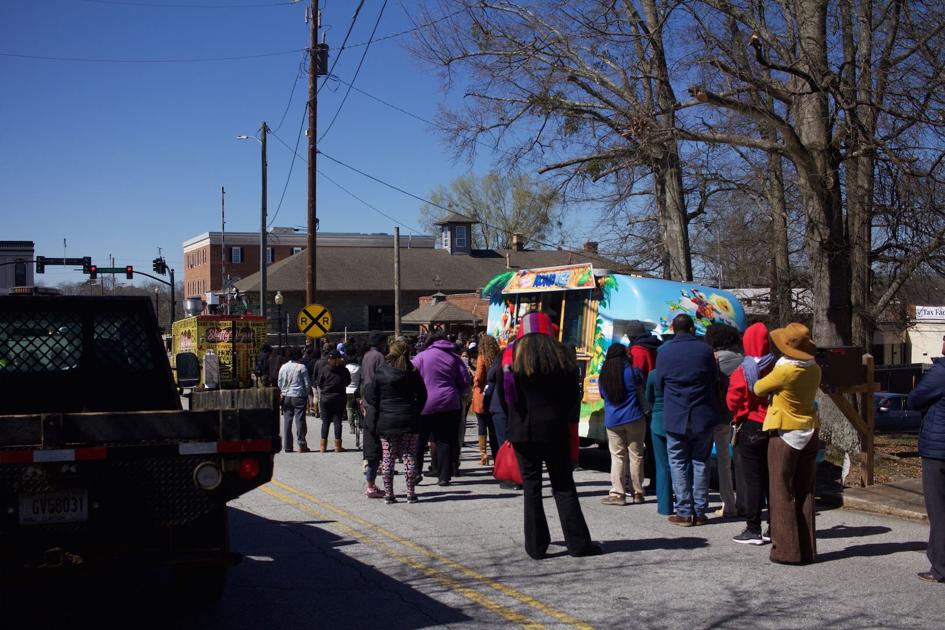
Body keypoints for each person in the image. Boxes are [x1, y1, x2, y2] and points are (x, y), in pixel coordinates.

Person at [495, 312, 601, 559]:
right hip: (555, 430)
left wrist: (516, 419)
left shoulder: (510, 358)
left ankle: (535, 545)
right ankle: (578, 543)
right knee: (563, 486)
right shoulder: (563, 356)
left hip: (522, 431)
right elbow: (572, 398)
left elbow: (503, 396)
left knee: (531, 488)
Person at [754, 322, 821, 564]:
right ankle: (807, 549)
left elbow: (759, 388)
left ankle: (786, 550)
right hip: (809, 429)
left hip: (785, 433)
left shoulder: (785, 370)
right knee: (805, 491)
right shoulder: (814, 369)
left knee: (781, 491)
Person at [656, 313, 723, 526]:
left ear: (673, 329)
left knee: (677, 461)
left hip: (676, 415)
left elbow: (659, 383)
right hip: (702, 414)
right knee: (700, 462)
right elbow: (715, 380)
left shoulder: (664, 353)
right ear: (692, 329)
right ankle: (700, 511)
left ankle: (684, 511)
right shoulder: (706, 351)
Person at [726, 322, 776, 545]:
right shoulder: (776, 367)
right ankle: (775, 526)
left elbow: (732, 401)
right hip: (774, 426)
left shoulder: (744, 370)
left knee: (753, 480)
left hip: (751, 426)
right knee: (771, 480)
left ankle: (753, 528)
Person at [366, 339, 428, 504]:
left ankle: (389, 494)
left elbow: (372, 397)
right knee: (409, 456)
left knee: (388, 457)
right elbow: (423, 396)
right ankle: (410, 493)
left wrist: (381, 408)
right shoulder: (413, 373)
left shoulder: (381, 372)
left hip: (387, 421)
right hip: (409, 419)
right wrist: (416, 410)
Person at [908, 334, 945, 583]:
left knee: (939, 509)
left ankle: (940, 565)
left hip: (938, 448)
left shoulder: (941, 372)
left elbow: (914, 399)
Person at [412, 331, 470, 486]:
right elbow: (465, 381)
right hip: (450, 403)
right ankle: (444, 476)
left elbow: (411, 376)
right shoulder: (454, 358)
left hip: (425, 404)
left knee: (420, 439)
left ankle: (416, 472)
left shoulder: (421, 357)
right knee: (446, 440)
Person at [598, 344, 648, 506]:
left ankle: (618, 493)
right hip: (634, 418)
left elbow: (602, 395)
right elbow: (644, 391)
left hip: (613, 420)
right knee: (636, 455)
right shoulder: (634, 373)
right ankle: (638, 492)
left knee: (618, 456)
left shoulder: (604, 376)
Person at [704, 323, 743, 518]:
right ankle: (733, 502)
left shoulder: (713, 361)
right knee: (730, 461)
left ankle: (701, 501)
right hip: (735, 416)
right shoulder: (743, 361)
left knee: (703, 459)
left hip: (712, 413)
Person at [645, 344, 675, 516]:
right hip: (677, 420)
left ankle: (664, 506)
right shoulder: (677, 373)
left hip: (657, 421)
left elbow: (648, 398)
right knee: (680, 463)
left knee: (662, 465)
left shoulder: (653, 375)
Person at [360, 332, 388, 493]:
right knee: (379, 438)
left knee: (369, 435)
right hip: (377, 398)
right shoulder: (379, 357)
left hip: (367, 397)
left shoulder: (366, 356)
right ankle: (381, 467)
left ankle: (370, 469)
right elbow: (383, 377)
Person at [471, 335, 500, 466]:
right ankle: (497, 456)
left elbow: (478, 377)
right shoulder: (499, 357)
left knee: (482, 426)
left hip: (481, 395)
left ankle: (483, 455)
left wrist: (474, 382)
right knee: (494, 428)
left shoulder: (481, 357)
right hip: (495, 395)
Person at [316, 350, 352, 452]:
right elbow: (348, 381)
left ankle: (323, 446)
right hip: (339, 397)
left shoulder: (324, 369)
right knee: (337, 421)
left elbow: (319, 382)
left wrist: (325, 389)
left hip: (326, 398)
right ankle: (337, 445)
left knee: (325, 422)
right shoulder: (343, 370)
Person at [277, 347, 312, 453]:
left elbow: (279, 382)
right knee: (300, 420)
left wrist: (283, 391)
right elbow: (307, 384)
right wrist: (306, 393)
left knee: (287, 420)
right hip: (299, 395)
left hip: (286, 396)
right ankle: (301, 444)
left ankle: (287, 446)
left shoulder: (283, 367)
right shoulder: (302, 367)